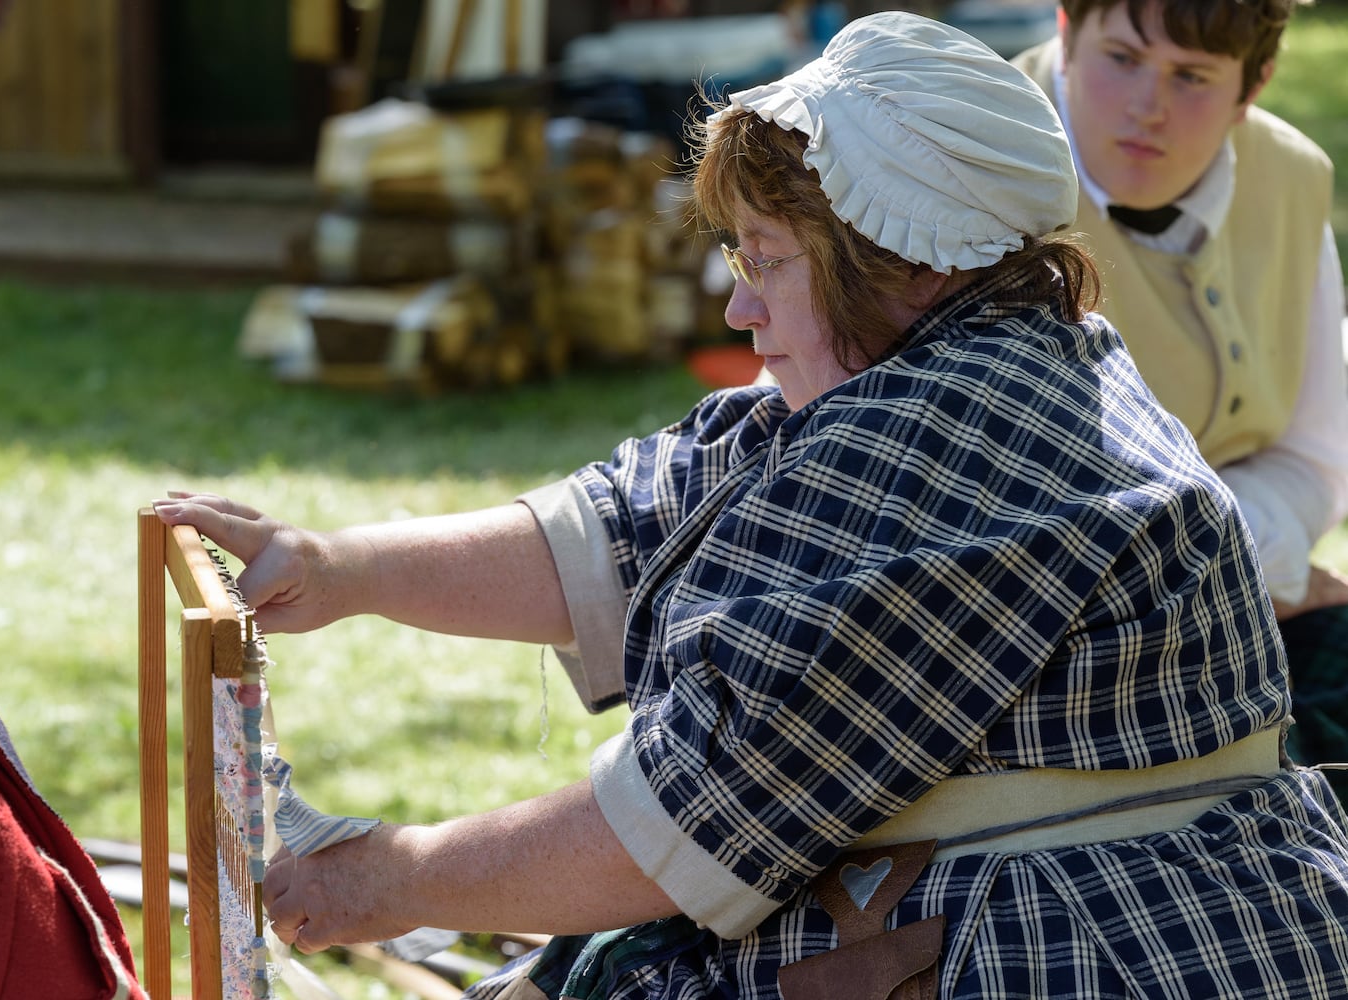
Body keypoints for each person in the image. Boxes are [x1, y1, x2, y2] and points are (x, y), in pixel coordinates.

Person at [153, 12, 1348, 998]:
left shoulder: (957, 438)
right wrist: (336, 566)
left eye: (765, 259)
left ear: (904, 258)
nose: (739, 310)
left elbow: (690, 820)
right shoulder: (975, 358)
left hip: (1105, 955)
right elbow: (634, 519)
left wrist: (383, 878)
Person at [1010, 0, 1348, 795]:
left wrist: (1253, 566)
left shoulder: (1292, 179)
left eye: (1191, 77)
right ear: (1065, 28)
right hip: (1046, 653)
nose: (1147, 106)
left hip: (1240, 603)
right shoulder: (984, 176)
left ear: (1253, 85)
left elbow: (1313, 456)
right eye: (1121, 58)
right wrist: (1262, 566)